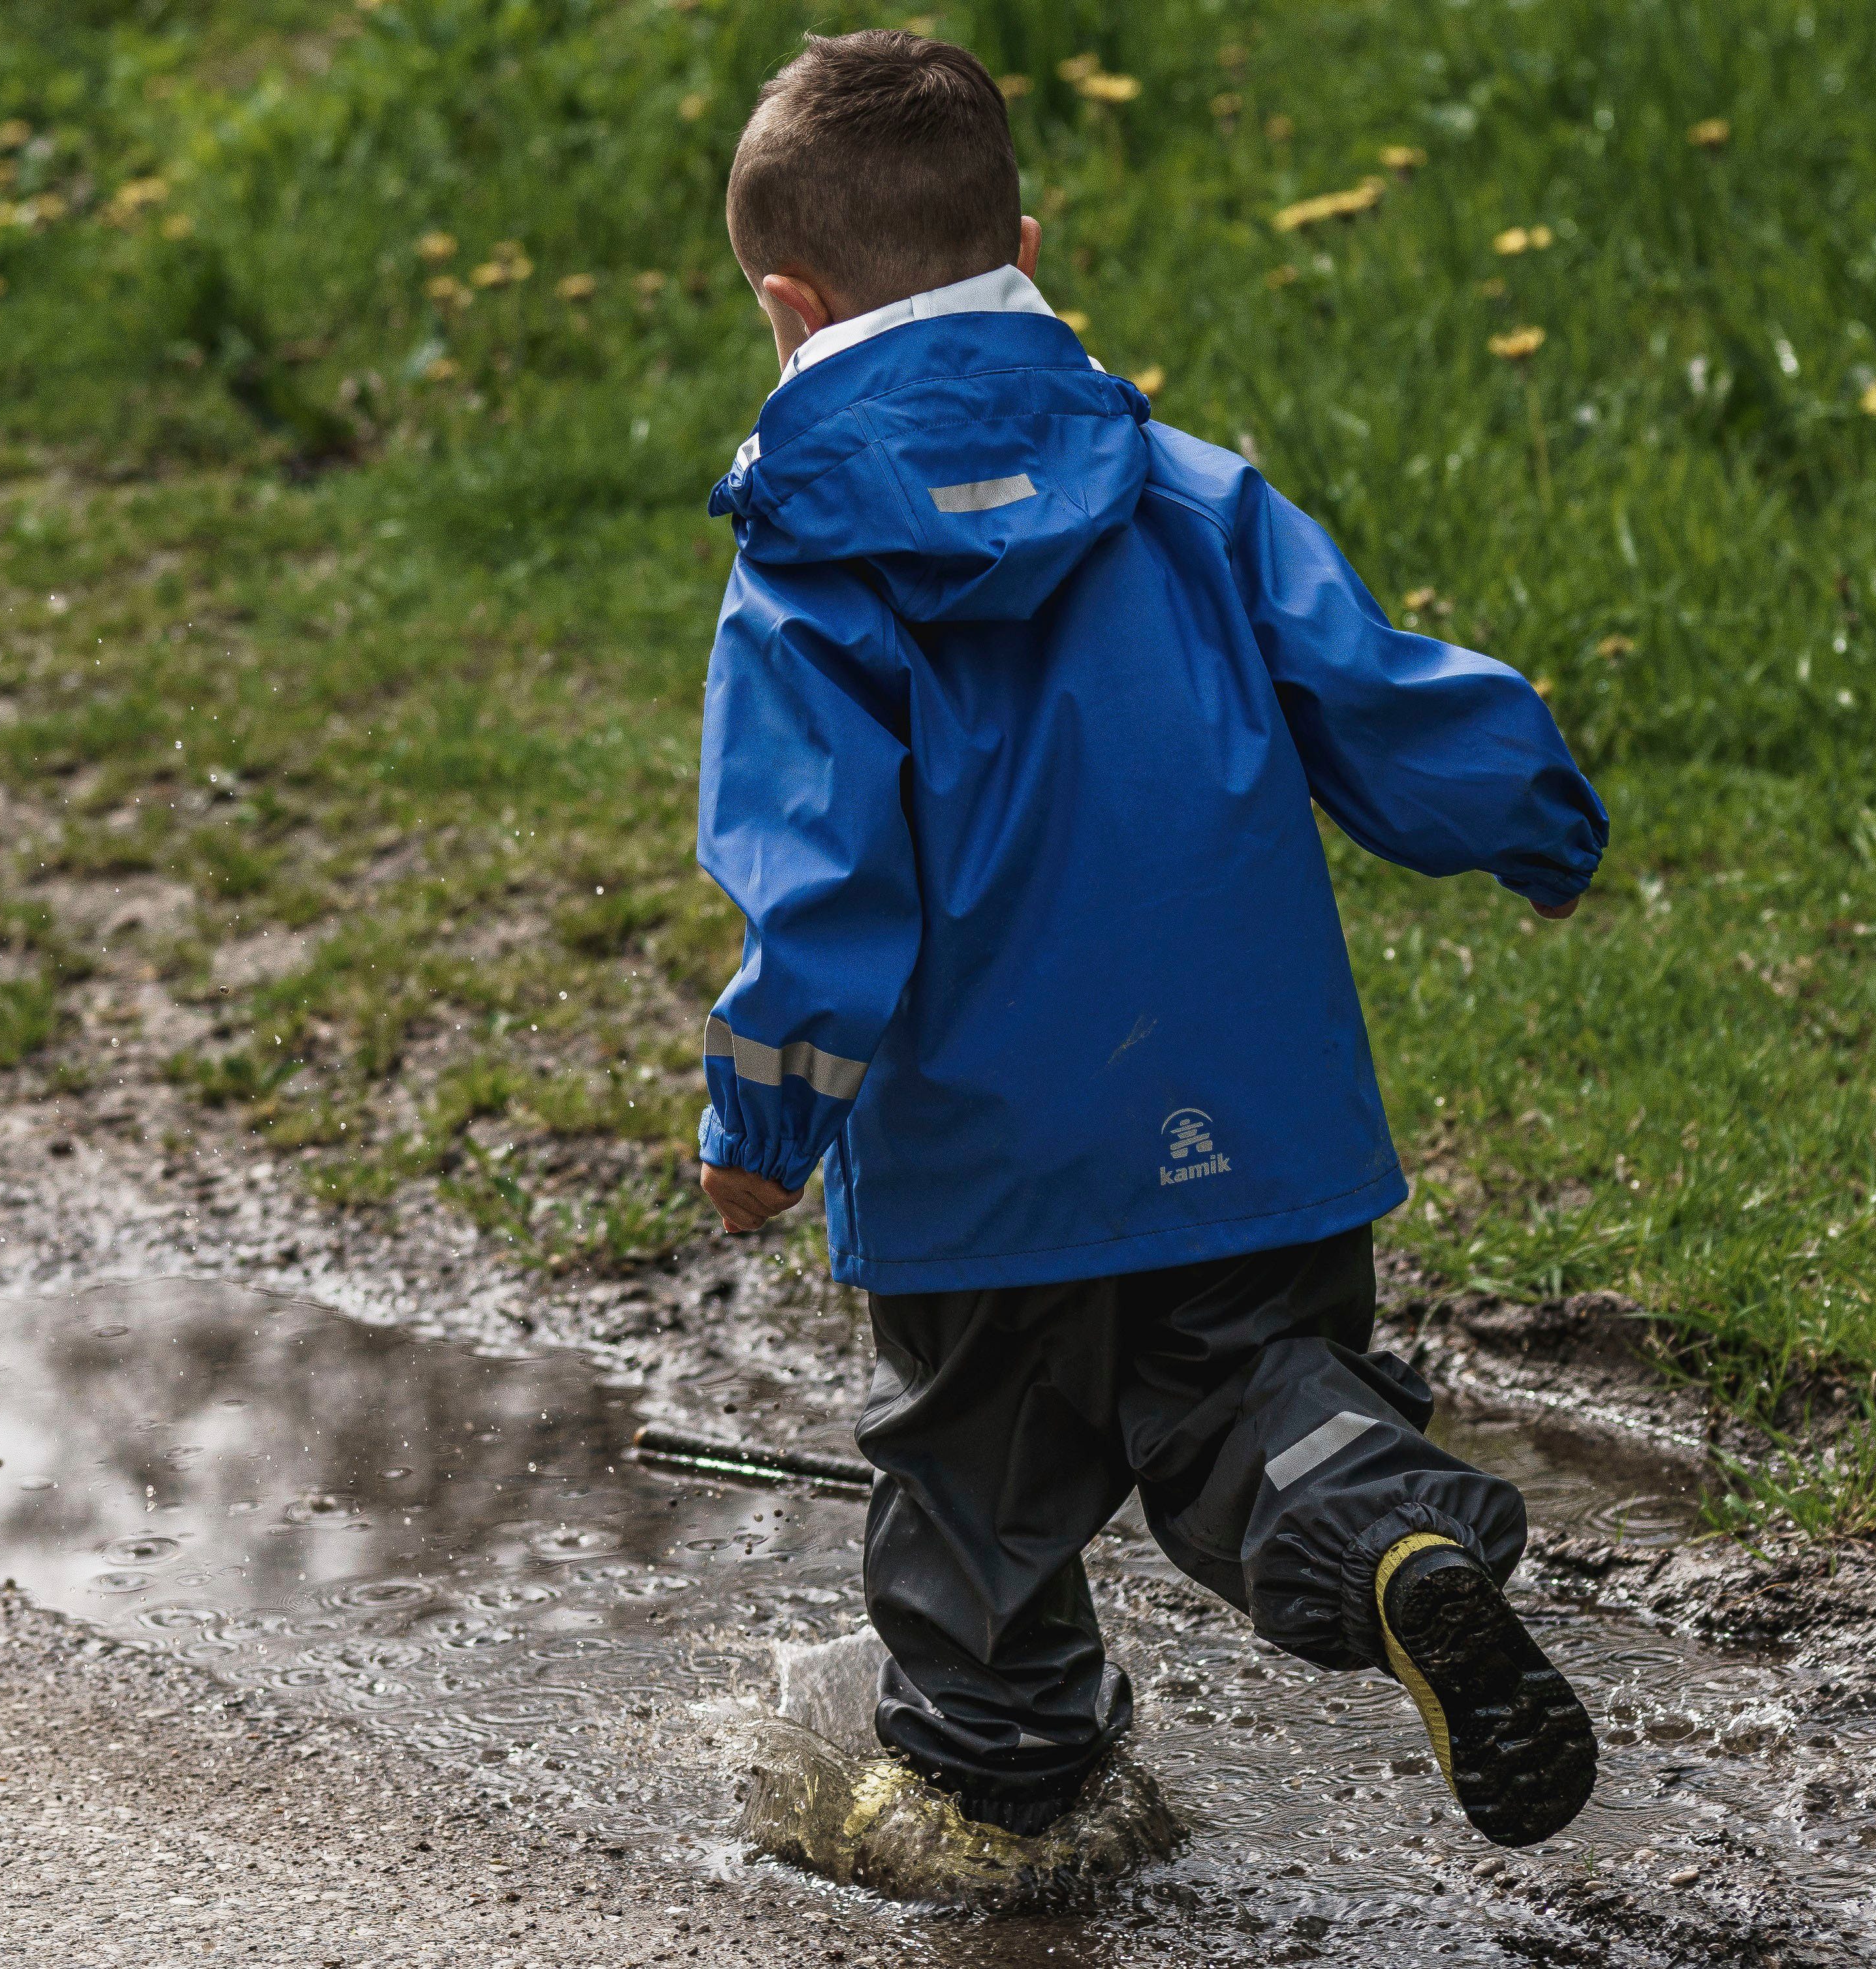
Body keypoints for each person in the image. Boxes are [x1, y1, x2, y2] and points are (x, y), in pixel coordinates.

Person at [691, 30, 1608, 1850]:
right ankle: (1380, 1524)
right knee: (1257, 1404)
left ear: (789, 307)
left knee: (977, 1487)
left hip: (987, 1160)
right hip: (1254, 1120)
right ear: (1028, 242)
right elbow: (1381, 688)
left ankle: (1000, 1793)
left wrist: (762, 1126)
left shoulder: (809, 567)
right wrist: (1535, 816)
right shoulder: (1191, 490)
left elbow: (820, 888)